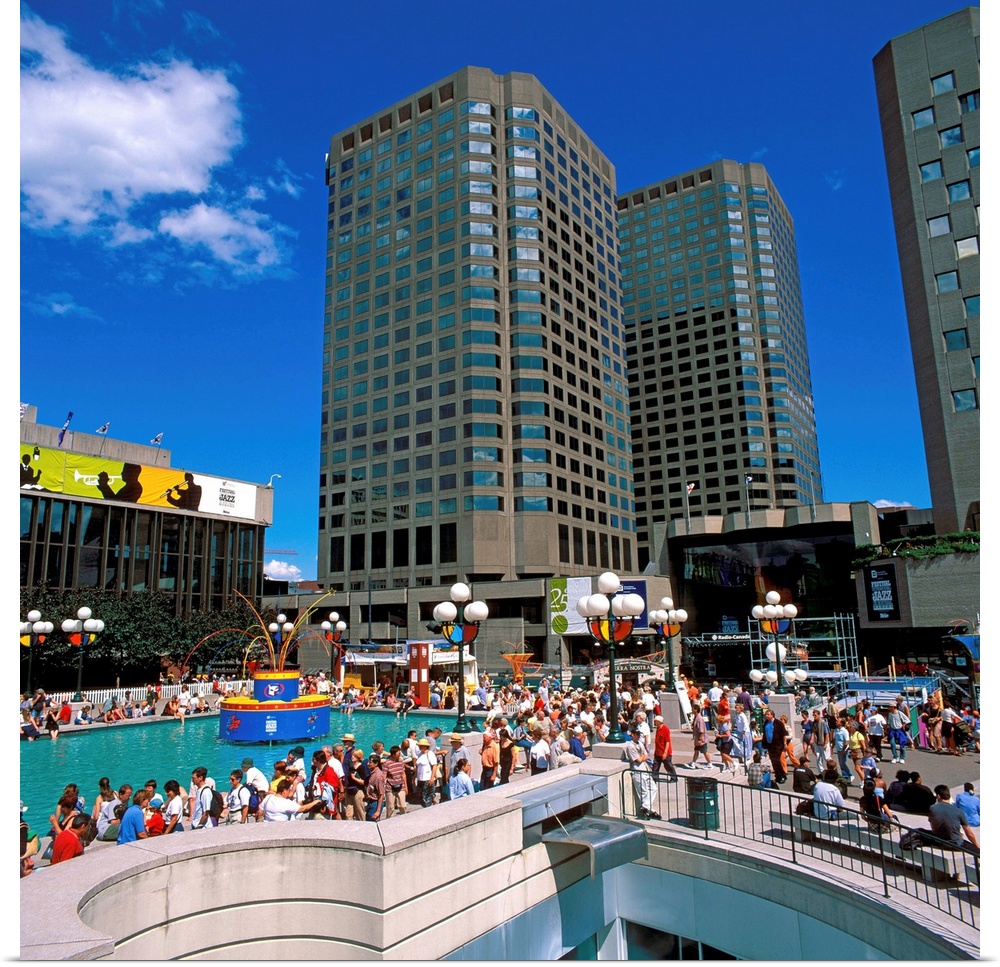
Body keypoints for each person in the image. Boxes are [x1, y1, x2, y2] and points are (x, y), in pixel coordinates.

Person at [624, 725, 660, 820]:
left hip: (645, 769)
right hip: (637, 770)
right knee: (643, 791)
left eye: (639, 734)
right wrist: (643, 757)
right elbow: (638, 759)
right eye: (636, 734)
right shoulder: (630, 746)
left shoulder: (640, 743)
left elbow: (647, 755)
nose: (638, 736)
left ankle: (645, 807)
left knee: (653, 788)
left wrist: (643, 756)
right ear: (632, 734)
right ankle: (649, 811)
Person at [928, 785, 978, 850]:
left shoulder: (932, 808)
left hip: (939, 842)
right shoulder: (959, 811)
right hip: (955, 844)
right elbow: (969, 833)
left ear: (938, 796)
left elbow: (933, 827)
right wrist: (977, 845)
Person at [764, 709, 789, 784]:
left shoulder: (778, 723)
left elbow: (784, 734)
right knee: (773, 761)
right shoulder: (766, 722)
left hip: (777, 745)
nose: (766, 716)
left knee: (777, 761)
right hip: (770, 745)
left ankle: (782, 775)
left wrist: (785, 744)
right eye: (766, 714)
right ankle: (778, 776)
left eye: (768, 714)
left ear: (772, 715)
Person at [383, 746, 408, 817]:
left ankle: (404, 818)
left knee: (402, 805)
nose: (400, 755)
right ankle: (389, 820)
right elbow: (384, 776)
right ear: (393, 754)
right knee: (390, 807)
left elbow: (403, 774)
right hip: (390, 787)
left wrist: (406, 786)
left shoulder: (400, 761)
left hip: (401, 785)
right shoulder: (386, 763)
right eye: (398, 753)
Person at [415, 738, 439, 808]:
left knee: (427, 797)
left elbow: (434, 766)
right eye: (420, 746)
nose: (420, 747)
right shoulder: (419, 754)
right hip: (420, 779)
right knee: (421, 796)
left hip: (428, 778)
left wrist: (432, 778)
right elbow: (417, 767)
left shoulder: (430, 754)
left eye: (422, 746)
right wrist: (414, 776)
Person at [687, 704, 712, 769]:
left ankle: (710, 764)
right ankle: (693, 763)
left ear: (696, 710)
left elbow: (701, 730)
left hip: (701, 739)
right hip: (697, 738)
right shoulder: (696, 717)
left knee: (704, 751)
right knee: (696, 750)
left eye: (692, 709)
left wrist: (700, 739)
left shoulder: (699, 718)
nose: (692, 710)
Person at [364, 754, 386, 821]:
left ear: (376, 763)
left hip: (375, 803)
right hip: (371, 802)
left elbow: (381, 794)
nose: (368, 764)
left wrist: (378, 811)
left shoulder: (378, 776)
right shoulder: (372, 774)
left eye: (370, 762)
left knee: (372, 822)